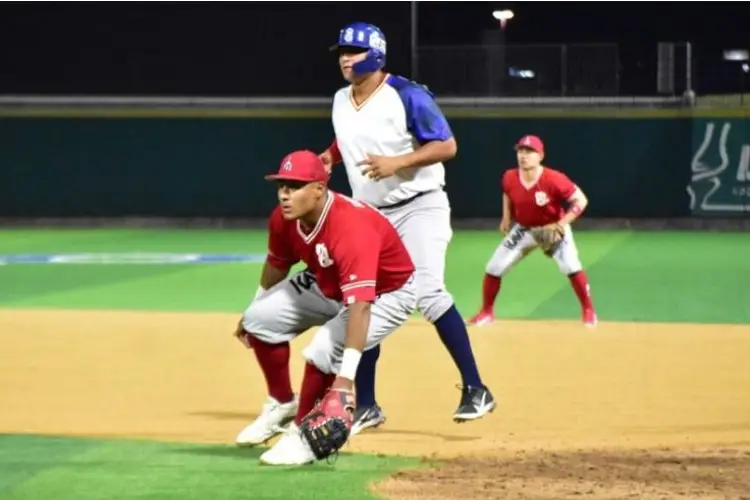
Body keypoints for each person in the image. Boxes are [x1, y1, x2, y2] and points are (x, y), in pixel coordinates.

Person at [318, 21, 495, 435]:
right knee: (364, 298)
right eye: (341, 52)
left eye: (353, 51)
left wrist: (397, 163)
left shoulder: (407, 95)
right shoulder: (341, 99)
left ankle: (476, 388)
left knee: (428, 291)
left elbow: (447, 145)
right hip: (372, 214)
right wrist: (329, 158)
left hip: (420, 207)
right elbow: (348, 139)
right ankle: (366, 406)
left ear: (376, 54)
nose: (345, 58)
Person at [233, 150, 417, 465]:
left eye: (295, 186)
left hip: (388, 292)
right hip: (327, 282)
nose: (284, 194)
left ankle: (302, 434)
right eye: (281, 185)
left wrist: (345, 379)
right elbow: (278, 264)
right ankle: (281, 404)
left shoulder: (350, 227)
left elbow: (360, 306)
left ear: (319, 189)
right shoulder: (283, 218)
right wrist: (255, 305)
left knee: (323, 349)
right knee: (257, 319)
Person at [467, 135, 598, 327]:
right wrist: (506, 216)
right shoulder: (510, 176)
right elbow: (507, 192)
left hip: (552, 227)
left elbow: (581, 200)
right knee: (494, 267)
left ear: (541, 156)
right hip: (524, 229)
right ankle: (486, 313)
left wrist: (562, 224)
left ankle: (589, 311)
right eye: (520, 151)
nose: (523, 155)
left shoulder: (554, 179)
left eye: (529, 152)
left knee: (571, 266)